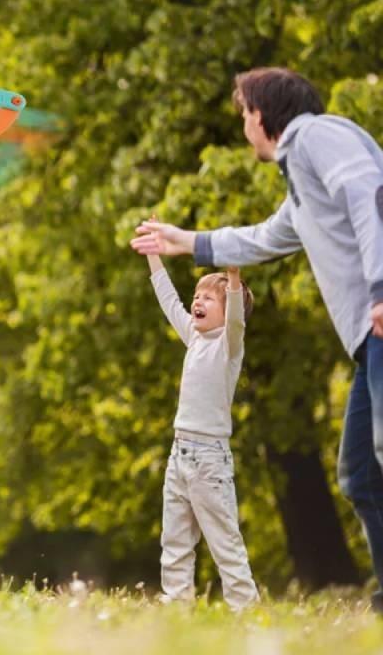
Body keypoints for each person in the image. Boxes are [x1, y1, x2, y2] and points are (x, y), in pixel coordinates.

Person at [131, 66, 383, 608]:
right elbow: (263, 239)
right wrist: (185, 241)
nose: (243, 125)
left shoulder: (317, 135)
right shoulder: (302, 185)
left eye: (243, 113)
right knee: (360, 473)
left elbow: (369, 193)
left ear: (260, 114)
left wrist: (382, 287)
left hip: (380, 321)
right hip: (369, 343)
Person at [140, 238, 258, 610]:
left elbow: (237, 319)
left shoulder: (229, 345)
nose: (198, 301)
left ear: (227, 311)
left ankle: (247, 611)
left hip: (210, 461)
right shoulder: (193, 336)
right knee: (174, 540)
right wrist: (155, 259)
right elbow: (168, 302)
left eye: (209, 298)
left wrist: (234, 278)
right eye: (197, 295)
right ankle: (177, 607)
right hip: (180, 455)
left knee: (224, 542)